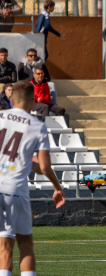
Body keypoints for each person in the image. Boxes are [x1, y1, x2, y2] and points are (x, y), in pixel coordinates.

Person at [0, 80, 65, 276]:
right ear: (33, 101)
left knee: (4, 248)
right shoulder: (37, 126)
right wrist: (57, 187)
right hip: (16, 190)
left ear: (11, 98)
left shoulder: (0, 117)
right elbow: (44, 167)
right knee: (26, 245)